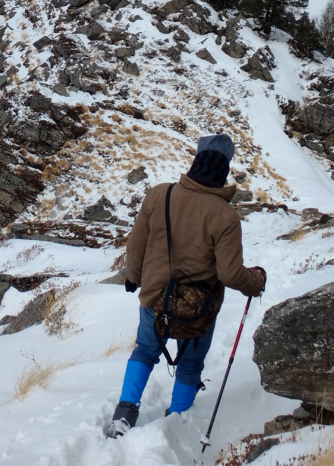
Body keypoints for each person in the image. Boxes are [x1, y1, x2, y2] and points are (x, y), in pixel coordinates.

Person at [106, 133, 267, 437]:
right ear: (224, 168)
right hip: (198, 307)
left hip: (154, 296)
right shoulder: (225, 216)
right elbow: (230, 274)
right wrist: (256, 283)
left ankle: (124, 413)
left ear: (196, 160)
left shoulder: (159, 195)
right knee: (191, 363)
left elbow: (136, 243)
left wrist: (133, 277)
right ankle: (176, 419)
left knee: (145, 350)